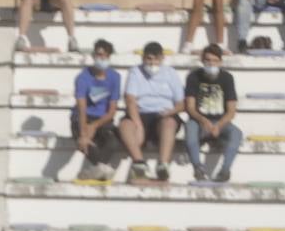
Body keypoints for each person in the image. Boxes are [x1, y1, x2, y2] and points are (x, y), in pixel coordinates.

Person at [118, 41, 185, 181]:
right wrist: (138, 125)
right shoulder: (135, 72)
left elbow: (181, 103)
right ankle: (139, 163)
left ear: (162, 58)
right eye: (149, 58)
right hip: (140, 113)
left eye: (156, 59)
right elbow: (130, 100)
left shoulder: (170, 73)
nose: (152, 62)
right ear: (143, 58)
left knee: (169, 123)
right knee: (125, 125)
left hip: (164, 113)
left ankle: (163, 164)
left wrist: (170, 112)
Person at [183, 44, 241, 183]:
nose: (211, 64)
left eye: (215, 61)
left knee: (236, 134)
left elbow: (231, 110)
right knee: (190, 130)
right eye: (208, 60)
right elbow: (190, 107)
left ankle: (225, 170)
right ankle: (198, 167)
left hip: (220, 120)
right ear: (203, 61)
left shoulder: (227, 78)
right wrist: (203, 121)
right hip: (198, 121)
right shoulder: (193, 76)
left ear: (220, 62)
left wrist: (218, 126)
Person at [71, 39, 122, 179]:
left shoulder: (115, 77)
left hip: (103, 119)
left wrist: (95, 125)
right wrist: (83, 133)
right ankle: (102, 169)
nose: (101, 59)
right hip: (83, 116)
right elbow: (81, 107)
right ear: (93, 56)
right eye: (98, 55)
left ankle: (94, 171)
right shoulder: (82, 77)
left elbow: (112, 110)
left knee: (113, 142)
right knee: (86, 143)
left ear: (109, 57)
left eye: (104, 56)